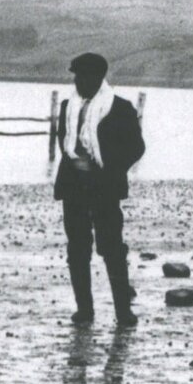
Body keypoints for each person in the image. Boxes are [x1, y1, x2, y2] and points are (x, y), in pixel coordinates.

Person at [54, 52, 145, 327]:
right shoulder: (68, 106)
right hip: (73, 188)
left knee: (112, 248)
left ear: (97, 78)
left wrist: (104, 168)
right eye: (76, 77)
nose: (77, 82)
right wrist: (75, 161)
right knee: (77, 250)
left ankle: (123, 312)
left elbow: (136, 147)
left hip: (105, 189)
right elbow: (63, 140)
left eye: (82, 77)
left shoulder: (120, 108)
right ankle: (84, 310)